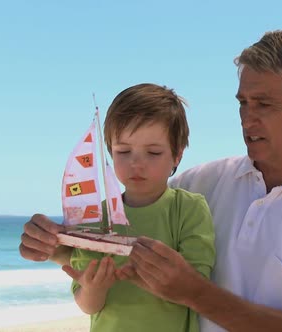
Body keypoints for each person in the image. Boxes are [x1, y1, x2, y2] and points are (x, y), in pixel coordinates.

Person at [19, 30, 282, 332]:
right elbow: (120, 241)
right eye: (242, 102)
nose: (247, 118)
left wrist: (195, 293)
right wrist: (56, 246)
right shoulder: (203, 183)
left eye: (264, 104)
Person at [59, 83, 216, 332]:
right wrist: (94, 288)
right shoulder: (95, 216)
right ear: (110, 152)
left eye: (153, 153)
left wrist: (143, 274)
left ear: (177, 156)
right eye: (123, 151)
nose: (136, 163)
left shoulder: (188, 208)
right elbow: (88, 305)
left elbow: (196, 289)